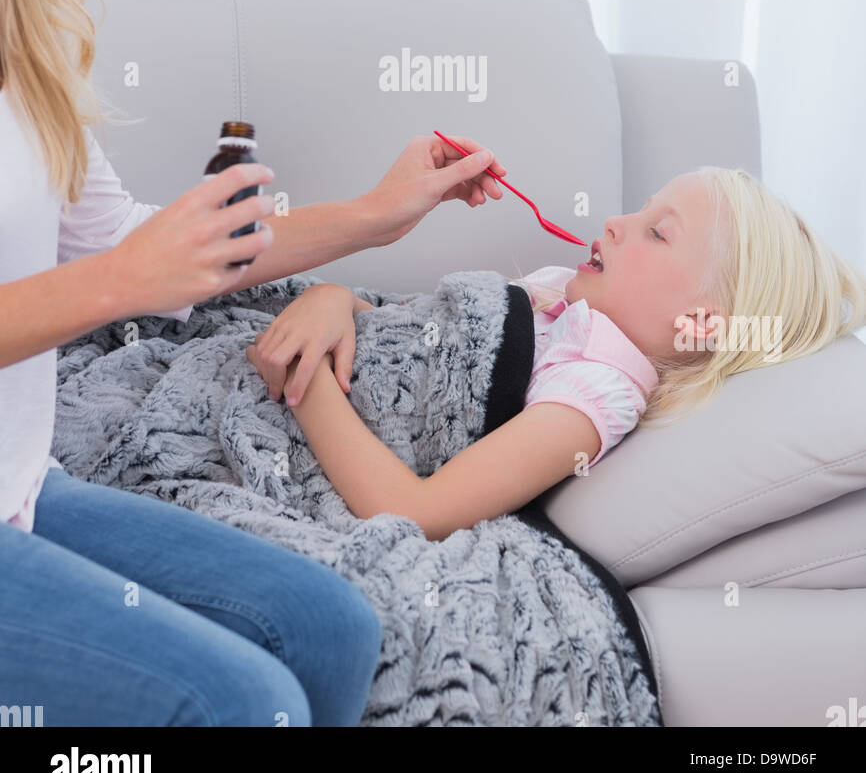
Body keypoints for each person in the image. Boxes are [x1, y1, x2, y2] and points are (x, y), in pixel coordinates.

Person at [0, 0, 508, 728]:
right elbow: (118, 273)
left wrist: (373, 217)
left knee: (330, 626)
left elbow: (121, 242)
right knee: (241, 705)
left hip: (17, 490)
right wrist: (117, 284)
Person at [242, 167, 866, 542]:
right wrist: (331, 301)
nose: (618, 222)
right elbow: (403, 342)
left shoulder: (599, 388)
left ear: (701, 324)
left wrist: (306, 378)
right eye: (641, 209)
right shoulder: (556, 299)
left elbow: (416, 512)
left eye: (657, 230)